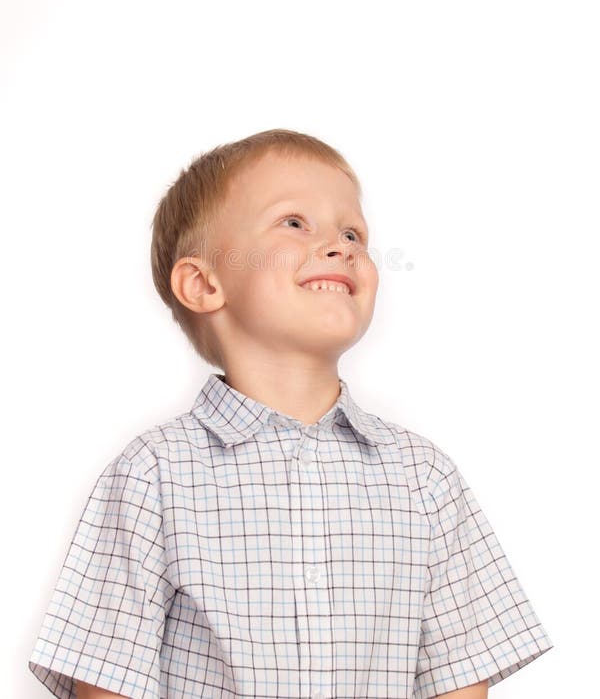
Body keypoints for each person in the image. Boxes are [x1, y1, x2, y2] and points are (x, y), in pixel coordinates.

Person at [28, 128, 554, 699]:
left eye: (353, 232)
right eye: (295, 223)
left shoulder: (424, 478)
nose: (343, 246)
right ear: (203, 283)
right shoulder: (152, 476)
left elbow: (458, 682)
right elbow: (108, 682)